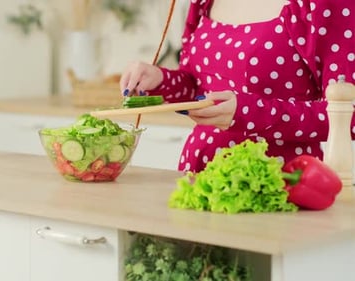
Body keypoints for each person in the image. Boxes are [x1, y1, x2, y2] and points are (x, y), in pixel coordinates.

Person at [119, 0, 355, 173]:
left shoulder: (326, 4)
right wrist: (161, 80)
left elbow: (349, 116)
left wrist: (249, 113)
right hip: (198, 173)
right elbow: (198, 88)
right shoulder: (201, 2)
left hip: (280, 182)